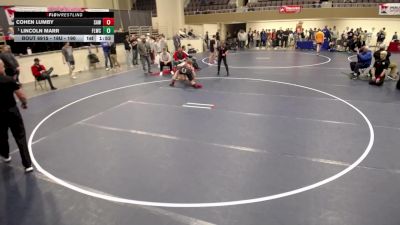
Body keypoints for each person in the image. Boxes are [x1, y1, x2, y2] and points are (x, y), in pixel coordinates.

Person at [0, 59, 33, 173]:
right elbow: (21, 95)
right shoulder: (9, 80)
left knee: (2, 135)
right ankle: (27, 164)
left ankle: (5, 155)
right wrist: (24, 103)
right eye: (3, 67)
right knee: (20, 136)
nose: (4, 69)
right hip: (12, 111)